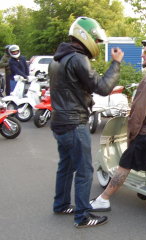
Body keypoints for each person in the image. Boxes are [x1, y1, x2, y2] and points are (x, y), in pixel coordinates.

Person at [89, 37, 146, 213]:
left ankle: (104, 199)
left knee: (125, 162)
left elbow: (137, 114)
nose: (142, 56)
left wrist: (131, 135)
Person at [49, 16, 124, 228]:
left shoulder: (58, 59)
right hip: (74, 123)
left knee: (66, 166)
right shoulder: (78, 59)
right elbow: (101, 87)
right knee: (84, 171)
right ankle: (82, 217)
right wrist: (116, 63)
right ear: (86, 36)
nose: (98, 45)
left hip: (59, 122)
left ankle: (61, 204)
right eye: (97, 40)